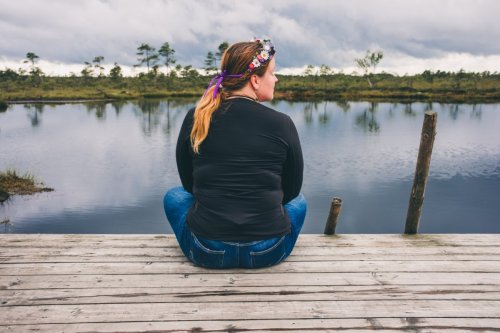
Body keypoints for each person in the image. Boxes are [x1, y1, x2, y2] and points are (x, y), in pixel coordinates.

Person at [163, 38, 306, 269]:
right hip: (267, 251)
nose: (276, 79)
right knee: (299, 203)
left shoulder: (196, 116)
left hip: (207, 249)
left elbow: (189, 185)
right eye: (272, 72)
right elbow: (291, 192)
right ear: (255, 80)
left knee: (174, 196)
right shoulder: (282, 123)